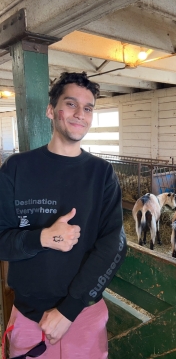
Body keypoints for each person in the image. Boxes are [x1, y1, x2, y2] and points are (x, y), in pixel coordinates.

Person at [0, 72, 127, 359]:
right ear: (50, 110)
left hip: (83, 314)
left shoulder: (102, 174)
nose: (80, 114)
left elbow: (114, 245)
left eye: (88, 107)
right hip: (29, 317)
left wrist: (68, 311)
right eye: (70, 104)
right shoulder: (17, 168)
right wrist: (43, 237)